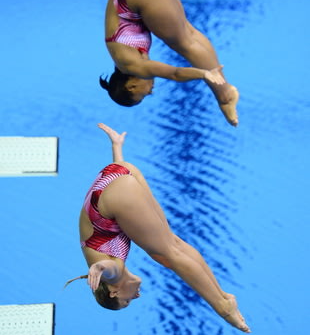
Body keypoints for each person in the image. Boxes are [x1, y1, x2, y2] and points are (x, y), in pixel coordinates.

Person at [65, 123, 250, 333]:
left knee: (168, 254)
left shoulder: (113, 276)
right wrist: (117, 148)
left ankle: (223, 308)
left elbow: (109, 269)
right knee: (173, 243)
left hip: (116, 195)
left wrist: (99, 269)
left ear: (114, 293)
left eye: (127, 302)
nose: (136, 297)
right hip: (118, 172)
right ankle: (224, 296)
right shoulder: (106, 260)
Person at [100, 0, 239, 126]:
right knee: (186, 29)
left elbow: (175, 73)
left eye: (144, 95)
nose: (151, 90)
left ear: (131, 86)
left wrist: (204, 73)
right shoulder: (120, 52)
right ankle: (225, 92)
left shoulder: (132, 65)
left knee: (185, 42)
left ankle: (225, 97)